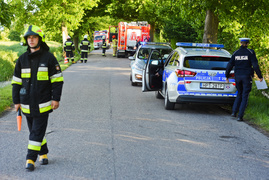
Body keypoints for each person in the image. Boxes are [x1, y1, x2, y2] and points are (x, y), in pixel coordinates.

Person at [11, 25, 64, 171]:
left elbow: (57, 80)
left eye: (34, 37)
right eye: (29, 37)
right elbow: (16, 82)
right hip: (26, 103)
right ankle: (43, 154)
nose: (31, 40)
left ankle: (30, 158)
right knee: (35, 131)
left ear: (40, 39)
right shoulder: (22, 59)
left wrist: (56, 98)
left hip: (43, 103)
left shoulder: (49, 58)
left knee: (36, 131)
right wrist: (16, 101)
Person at [226, 38, 263, 121]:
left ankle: (234, 112)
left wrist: (226, 76)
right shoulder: (250, 52)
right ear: (247, 44)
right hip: (247, 77)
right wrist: (260, 76)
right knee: (245, 95)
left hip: (237, 77)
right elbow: (255, 65)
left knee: (239, 93)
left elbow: (229, 65)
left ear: (240, 43)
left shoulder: (236, 53)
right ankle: (240, 116)